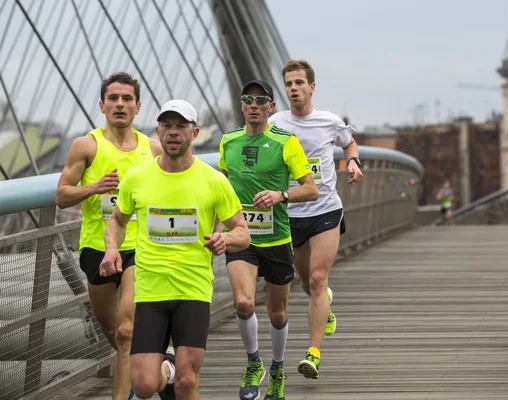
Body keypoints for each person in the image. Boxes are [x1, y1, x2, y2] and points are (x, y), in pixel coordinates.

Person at [100, 99, 250, 400]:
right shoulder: (137, 178)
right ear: (157, 131)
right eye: (167, 125)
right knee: (142, 387)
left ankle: (170, 370)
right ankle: (166, 368)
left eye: (181, 125)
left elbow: (243, 232)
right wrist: (111, 249)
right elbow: (117, 220)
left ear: (194, 133)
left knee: (186, 383)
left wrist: (226, 240)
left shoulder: (213, 181)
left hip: (192, 291)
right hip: (150, 292)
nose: (173, 132)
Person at [55, 72, 162, 400]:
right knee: (114, 332)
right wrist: (94, 187)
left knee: (127, 331)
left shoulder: (153, 148)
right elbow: (61, 195)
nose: (120, 104)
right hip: (96, 249)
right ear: (102, 105)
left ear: (138, 107)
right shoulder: (86, 145)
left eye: (127, 98)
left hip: (138, 248)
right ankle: (157, 361)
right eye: (113, 98)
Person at [219, 80, 318, 400]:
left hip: (276, 238)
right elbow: (220, 186)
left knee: (277, 313)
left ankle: (277, 368)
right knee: (244, 302)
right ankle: (254, 363)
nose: (253, 105)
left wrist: (281, 194)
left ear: (270, 107)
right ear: (242, 105)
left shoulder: (286, 142)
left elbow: (310, 188)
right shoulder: (227, 141)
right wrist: (216, 227)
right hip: (241, 237)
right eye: (248, 99)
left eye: (261, 100)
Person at [268, 59, 364, 379]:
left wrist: (352, 162)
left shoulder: (328, 121)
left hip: (325, 210)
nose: (293, 88)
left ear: (312, 87)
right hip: (290, 213)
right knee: (308, 283)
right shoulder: (275, 122)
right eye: (288, 84)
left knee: (318, 280)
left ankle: (313, 353)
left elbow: (349, 143)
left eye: (299, 83)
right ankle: (325, 306)